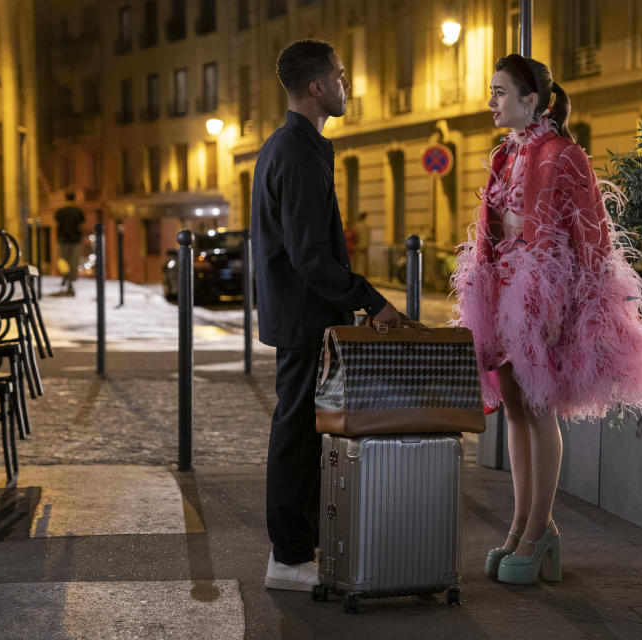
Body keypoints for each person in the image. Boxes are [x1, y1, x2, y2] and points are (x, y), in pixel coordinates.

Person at [452, 54, 642, 585]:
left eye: (501, 92)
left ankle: (538, 530)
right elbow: (494, 230)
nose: (491, 102)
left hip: (540, 297)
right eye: (492, 91)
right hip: (500, 294)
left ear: (532, 101)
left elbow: (589, 237)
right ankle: (520, 526)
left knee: (540, 410)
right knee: (517, 414)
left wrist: (559, 307)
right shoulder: (505, 153)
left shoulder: (564, 154)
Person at [251, 39, 402, 592]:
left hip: (302, 312)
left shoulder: (295, 146)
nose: (345, 85)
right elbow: (310, 253)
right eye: (339, 76)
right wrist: (372, 299)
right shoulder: (295, 151)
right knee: (295, 432)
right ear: (316, 87)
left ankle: (296, 551)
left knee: (302, 429)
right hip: (303, 314)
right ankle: (288, 558)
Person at [54, 192, 85, 294]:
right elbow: (81, 224)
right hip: (75, 240)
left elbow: (57, 222)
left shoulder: (61, 211)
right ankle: (71, 281)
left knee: (64, 260)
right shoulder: (78, 211)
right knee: (73, 261)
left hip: (63, 239)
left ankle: (64, 277)